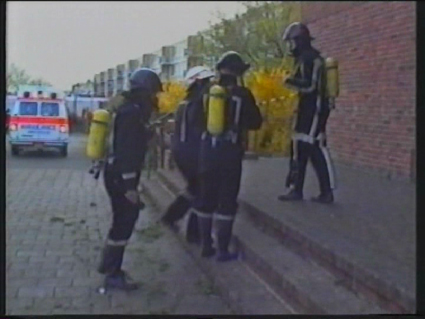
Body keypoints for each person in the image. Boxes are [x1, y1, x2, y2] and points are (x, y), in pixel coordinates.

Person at [192, 51, 263, 262]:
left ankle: (206, 245)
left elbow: (195, 121)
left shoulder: (204, 92)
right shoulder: (242, 94)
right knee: (227, 199)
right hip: (230, 153)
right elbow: (255, 122)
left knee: (206, 198)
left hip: (207, 152)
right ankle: (222, 250)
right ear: (238, 71)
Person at [97, 68, 163, 291]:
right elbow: (127, 151)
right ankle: (112, 274)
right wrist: (129, 187)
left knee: (123, 220)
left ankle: (109, 266)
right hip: (121, 177)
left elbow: (130, 142)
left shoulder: (129, 111)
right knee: (124, 222)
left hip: (116, 173)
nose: (155, 98)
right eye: (154, 93)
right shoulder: (132, 113)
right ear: (146, 91)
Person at [278, 22, 336, 204]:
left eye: (291, 42)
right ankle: (297, 189)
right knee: (300, 148)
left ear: (299, 40)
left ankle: (326, 192)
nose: (290, 46)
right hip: (307, 109)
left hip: (315, 110)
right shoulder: (304, 58)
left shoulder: (311, 58)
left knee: (312, 148)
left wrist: (290, 81)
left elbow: (311, 85)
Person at [160, 66, 215, 244]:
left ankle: (171, 217)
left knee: (194, 189)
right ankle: (194, 233)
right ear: (199, 82)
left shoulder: (185, 103)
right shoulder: (198, 104)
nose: (210, 85)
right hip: (192, 153)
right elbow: (200, 131)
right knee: (202, 191)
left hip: (181, 152)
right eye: (207, 81)